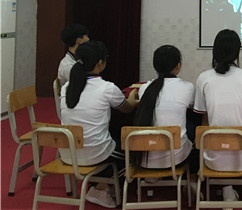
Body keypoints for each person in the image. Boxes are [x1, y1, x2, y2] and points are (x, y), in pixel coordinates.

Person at [60, 40, 138, 208]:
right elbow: (127, 109)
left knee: (111, 136)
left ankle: (101, 184)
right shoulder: (107, 88)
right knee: (133, 151)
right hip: (95, 154)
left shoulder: (66, 87)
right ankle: (102, 187)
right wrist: (132, 96)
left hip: (68, 154)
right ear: (101, 63)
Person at [193, 29, 242, 204]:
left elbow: (205, 122)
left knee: (215, 142)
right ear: (237, 52)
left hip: (213, 159)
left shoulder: (204, 78)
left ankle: (227, 192)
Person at [135, 45, 196, 171]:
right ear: (178, 66)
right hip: (175, 160)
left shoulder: (145, 88)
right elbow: (193, 106)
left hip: (144, 161)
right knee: (191, 126)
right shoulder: (187, 88)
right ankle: (193, 174)